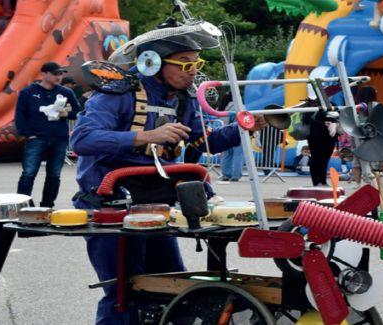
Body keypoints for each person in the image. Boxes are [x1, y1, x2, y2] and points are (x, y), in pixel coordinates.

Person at [70, 20, 266, 324]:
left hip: (159, 205)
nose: (193, 71)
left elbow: (204, 143)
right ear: (152, 62)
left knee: (172, 286)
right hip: (111, 205)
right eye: (185, 63)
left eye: (197, 63)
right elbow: (82, 139)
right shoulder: (118, 91)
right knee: (123, 293)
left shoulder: (183, 98)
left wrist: (245, 126)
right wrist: (146, 136)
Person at [14, 61, 82, 207]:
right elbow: (19, 115)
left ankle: (47, 206)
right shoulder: (28, 91)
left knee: (54, 175)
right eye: (55, 73)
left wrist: (66, 113)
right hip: (36, 137)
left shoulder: (66, 92)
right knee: (28, 174)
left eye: (61, 73)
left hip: (59, 138)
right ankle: (23, 205)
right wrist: (28, 134)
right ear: (44, 74)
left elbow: (79, 112)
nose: (59, 76)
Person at [303, 108, 338, 186]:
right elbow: (306, 119)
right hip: (315, 137)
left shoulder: (333, 105)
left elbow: (340, 117)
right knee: (316, 159)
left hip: (330, 137)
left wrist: (334, 124)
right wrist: (323, 123)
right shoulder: (313, 105)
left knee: (325, 159)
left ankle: (323, 181)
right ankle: (316, 181)